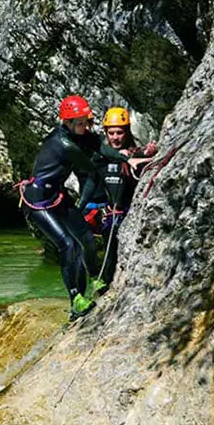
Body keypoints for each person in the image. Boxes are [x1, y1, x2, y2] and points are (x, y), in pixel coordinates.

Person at [19, 95, 105, 320]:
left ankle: (95, 276)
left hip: (57, 195)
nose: (85, 127)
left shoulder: (78, 137)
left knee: (86, 236)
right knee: (68, 244)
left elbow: (94, 159)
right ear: (67, 123)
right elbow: (91, 169)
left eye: (86, 122)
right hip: (37, 202)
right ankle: (75, 298)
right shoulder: (63, 143)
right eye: (80, 123)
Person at [79, 107, 157, 289]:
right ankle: (104, 285)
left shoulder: (135, 153)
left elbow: (141, 155)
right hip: (107, 214)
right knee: (109, 251)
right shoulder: (99, 156)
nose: (115, 137)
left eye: (119, 133)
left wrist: (147, 155)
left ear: (126, 132)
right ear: (106, 133)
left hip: (128, 213)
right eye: (111, 133)